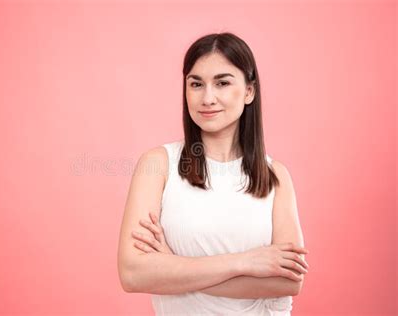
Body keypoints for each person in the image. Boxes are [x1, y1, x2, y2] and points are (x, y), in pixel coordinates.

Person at [117, 32, 309, 315]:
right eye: (196, 84)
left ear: (249, 91)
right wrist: (244, 262)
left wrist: (172, 266)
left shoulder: (276, 176)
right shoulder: (158, 165)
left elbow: (288, 280)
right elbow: (133, 274)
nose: (208, 98)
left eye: (222, 82)